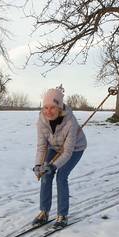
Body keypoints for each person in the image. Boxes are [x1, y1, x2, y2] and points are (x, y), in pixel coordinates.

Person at [32, 86, 87, 229]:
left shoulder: (70, 122)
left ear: (60, 108)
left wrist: (54, 165)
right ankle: (44, 212)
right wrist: (39, 165)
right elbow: (42, 146)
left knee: (61, 176)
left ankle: (62, 215)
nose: (48, 111)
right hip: (54, 146)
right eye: (45, 107)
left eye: (53, 108)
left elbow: (67, 152)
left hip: (75, 149)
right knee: (45, 174)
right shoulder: (41, 121)